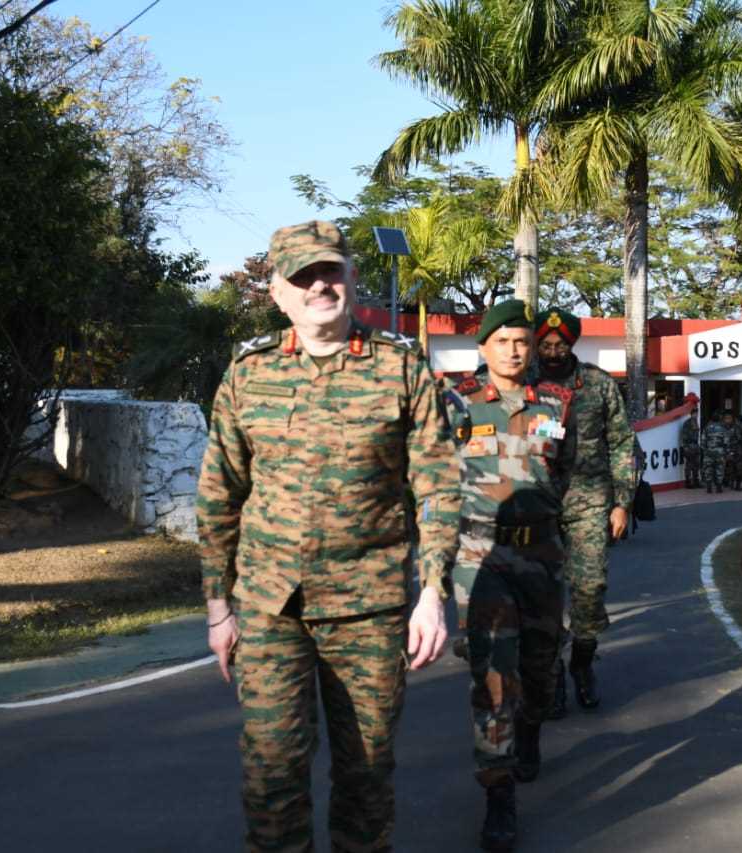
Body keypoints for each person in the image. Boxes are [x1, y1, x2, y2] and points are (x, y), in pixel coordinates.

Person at [197, 220, 460, 852]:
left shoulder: (401, 367)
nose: (319, 286)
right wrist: (217, 608)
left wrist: (432, 594)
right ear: (278, 293)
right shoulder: (248, 373)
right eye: (302, 276)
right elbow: (219, 494)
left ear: (351, 279)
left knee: (366, 773)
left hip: (369, 607)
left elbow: (438, 487)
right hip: (270, 606)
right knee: (272, 773)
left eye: (330, 271)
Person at [450, 300, 577, 852]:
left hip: (542, 555)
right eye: (501, 341)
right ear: (483, 347)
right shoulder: (456, 402)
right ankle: (498, 794)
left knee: (540, 671)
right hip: (481, 556)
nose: (514, 350)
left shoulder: (556, 402)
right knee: (494, 676)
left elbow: (566, 470)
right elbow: (433, 476)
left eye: (522, 341)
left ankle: (530, 731)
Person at [532, 307, 634, 716]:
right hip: (537, 502)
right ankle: (552, 673)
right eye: (546, 344)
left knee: (590, 589)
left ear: (571, 344)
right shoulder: (524, 382)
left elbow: (622, 442)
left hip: (590, 500)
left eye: (560, 345)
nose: (553, 352)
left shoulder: (598, 384)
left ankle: (582, 662)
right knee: (543, 597)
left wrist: (622, 502)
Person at [700, 409, 735, 493]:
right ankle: (719, 487)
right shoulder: (723, 428)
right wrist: (727, 452)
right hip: (720, 452)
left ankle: (709, 487)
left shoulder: (707, 427)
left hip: (709, 452)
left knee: (708, 469)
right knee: (719, 469)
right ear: (719, 418)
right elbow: (726, 441)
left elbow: (702, 441)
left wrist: (705, 450)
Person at [679, 397, 702, 489]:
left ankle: (696, 481)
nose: (696, 415)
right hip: (689, 446)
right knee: (689, 465)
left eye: (696, 413)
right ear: (691, 414)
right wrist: (685, 447)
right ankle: (688, 482)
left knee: (696, 464)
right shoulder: (687, 423)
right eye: (695, 413)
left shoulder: (695, 422)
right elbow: (684, 435)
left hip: (695, 445)